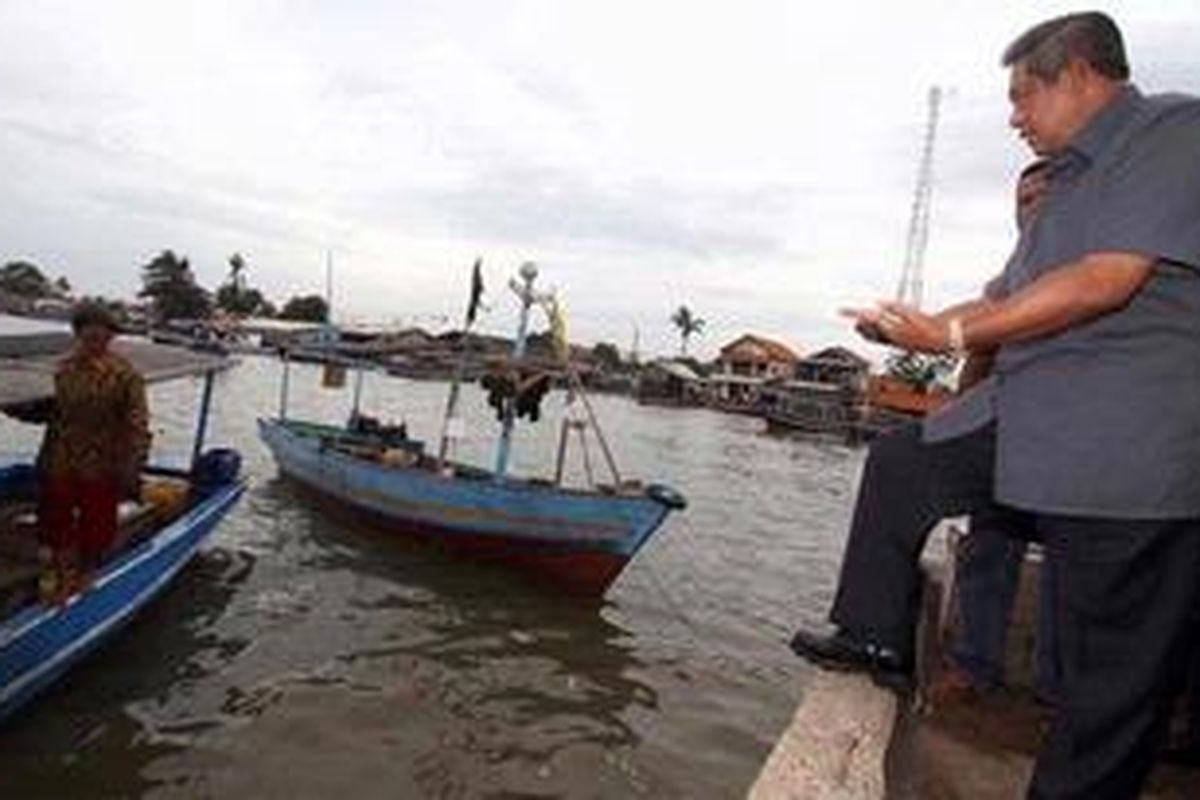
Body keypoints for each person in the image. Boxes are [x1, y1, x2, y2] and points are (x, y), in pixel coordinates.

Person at [788, 11, 1200, 799]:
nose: (1012, 117)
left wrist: (947, 335)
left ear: (1077, 75)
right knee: (902, 462)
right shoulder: (1064, 185)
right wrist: (912, 325)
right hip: (1031, 417)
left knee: (1104, 687)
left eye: (1021, 95)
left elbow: (1103, 281)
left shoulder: (1173, 132)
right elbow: (1002, 299)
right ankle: (876, 637)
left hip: (1126, 446)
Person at [930, 160, 1062, 706]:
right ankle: (974, 666)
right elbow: (980, 350)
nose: (1027, 210)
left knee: (1071, 563)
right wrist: (955, 419)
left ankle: (1058, 693)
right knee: (988, 539)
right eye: (1021, 201)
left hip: (1081, 446)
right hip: (1014, 440)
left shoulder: (1091, 262)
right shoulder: (1014, 274)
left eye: (1039, 198)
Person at [39, 303, 150, 598]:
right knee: (55, 516)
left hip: (103, 459)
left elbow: (138, 422)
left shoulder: (125, 375)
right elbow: (51, 411)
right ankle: (62, 573)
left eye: (104, 336)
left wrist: (133, 464)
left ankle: (87, 572)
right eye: (90, 336)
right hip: (61, 455)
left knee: (97, 520)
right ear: (78, 334)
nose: (97, 342)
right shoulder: (62, 369)